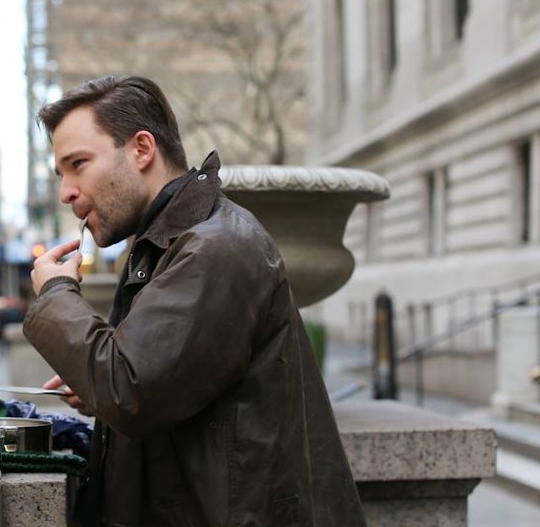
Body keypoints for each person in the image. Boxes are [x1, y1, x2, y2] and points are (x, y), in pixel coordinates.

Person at [24, 75, 365, 526]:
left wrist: (55, 293)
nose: (66, 191)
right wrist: (95, 392)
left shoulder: (216, 247)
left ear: (142, 150)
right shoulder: (167, 242)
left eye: (78, 163)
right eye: (61, 173)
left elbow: (128, 389)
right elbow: (160, 386)